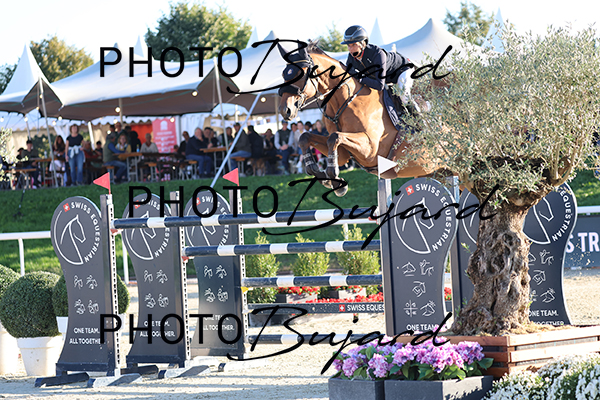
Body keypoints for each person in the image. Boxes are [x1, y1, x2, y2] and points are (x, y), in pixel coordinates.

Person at [342, 25, 414, 102]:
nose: (350, 49)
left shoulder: (377, 54)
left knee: (404, 97)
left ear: (362, 43)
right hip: (387, 78)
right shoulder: (351, 57)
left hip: (403, 70)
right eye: (348, 45)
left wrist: (360, 77)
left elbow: (379, 86)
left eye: (354, 45)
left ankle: (417, 110)